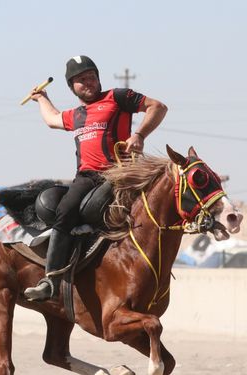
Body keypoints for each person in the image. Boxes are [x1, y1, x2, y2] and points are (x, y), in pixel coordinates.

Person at [23, 55, 168, 301]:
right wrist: (41, 98)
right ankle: (52, 280)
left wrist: (139, 135)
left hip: (118, 174)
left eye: (91, 77)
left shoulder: (118, 97)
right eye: (81, 80)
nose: (88, 82)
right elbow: (52, 119)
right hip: (86, 177)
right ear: (72, 87)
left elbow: (158, 107)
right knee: (66, 209)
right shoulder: (77, 114)